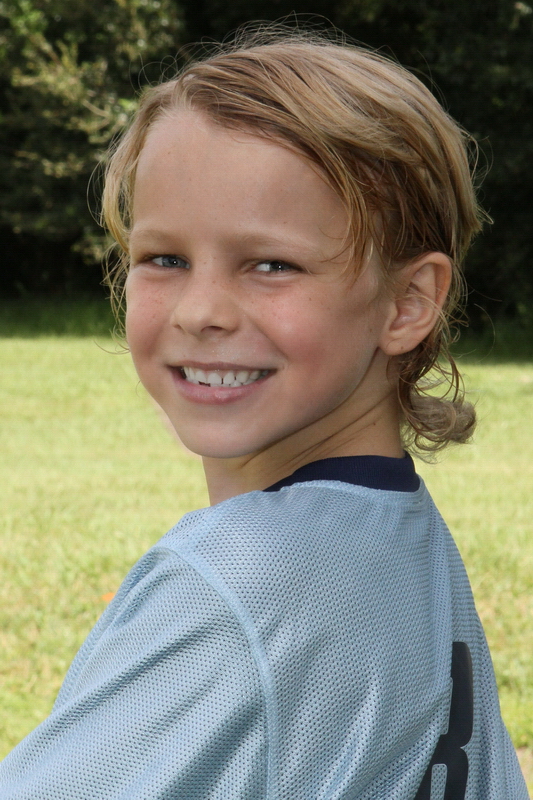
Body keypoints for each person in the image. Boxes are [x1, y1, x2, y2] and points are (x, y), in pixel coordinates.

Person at [0, 26, 528, 800]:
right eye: (164, 258)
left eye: (271, 265)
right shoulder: (401, 544)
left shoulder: (241, 582)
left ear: (407, 302)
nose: (200, 311)